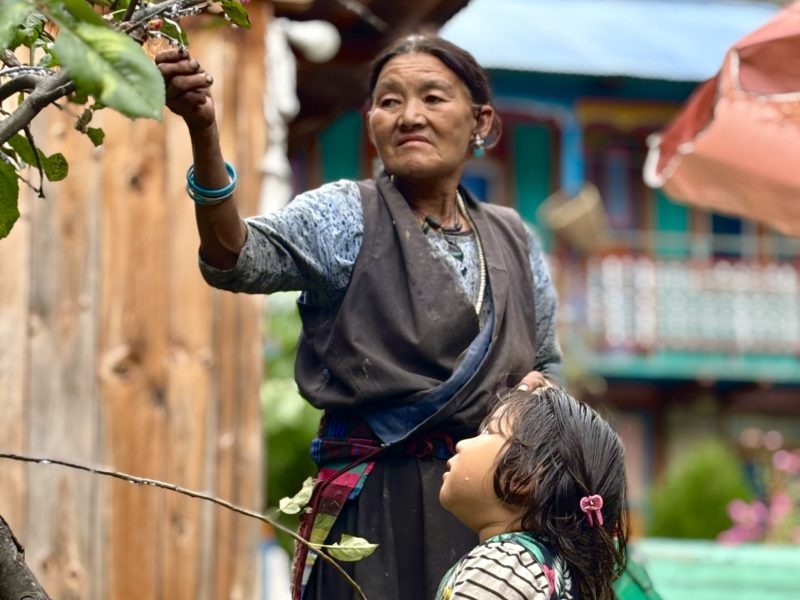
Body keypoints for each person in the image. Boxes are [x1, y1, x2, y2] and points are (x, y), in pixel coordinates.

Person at [156, 33, 562, 600]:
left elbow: (545, 367)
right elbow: (235, 257)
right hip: (371, 512)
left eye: (433, 98)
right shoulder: (347, 213)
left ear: (482, 122)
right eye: (389, 101)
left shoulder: (516, 239)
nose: (409, 116)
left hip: (490, 514)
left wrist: (537, 396)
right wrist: (203, 131)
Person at [438, 385, 628, 600]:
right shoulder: (556, 573)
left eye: (488, 431)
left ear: (525, 475)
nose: (462, 444)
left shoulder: (502, 567)